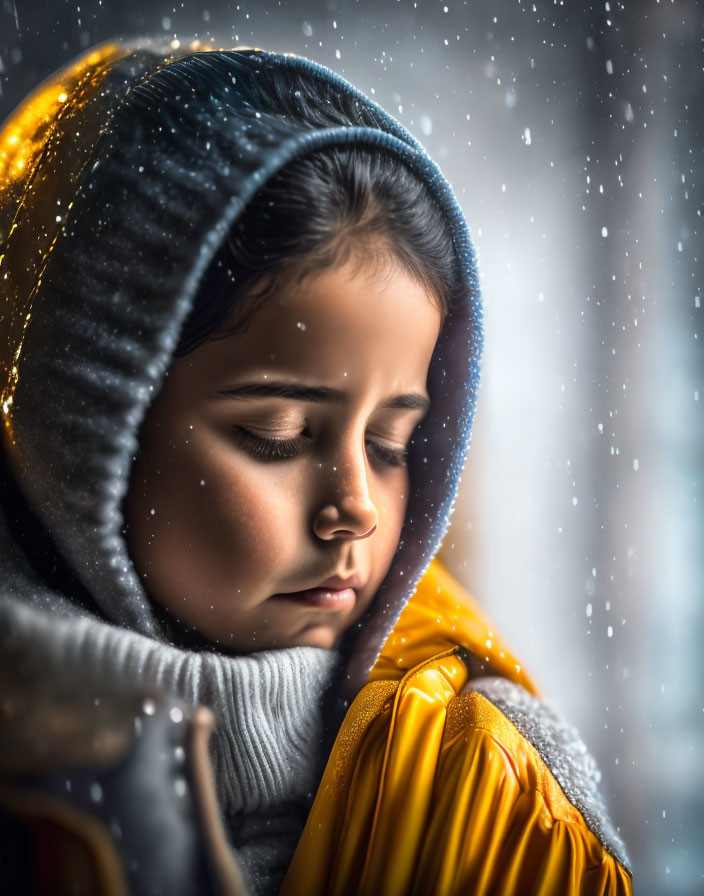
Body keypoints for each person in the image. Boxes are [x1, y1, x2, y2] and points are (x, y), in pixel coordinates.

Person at [0, 39, 632, 895]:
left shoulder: (490, 802)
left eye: (392, 446)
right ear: (83, 435)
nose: (357, 507)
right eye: (279, 433)